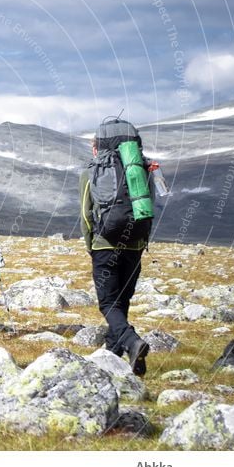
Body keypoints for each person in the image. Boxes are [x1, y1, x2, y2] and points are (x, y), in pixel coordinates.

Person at [80, 129, 150, 376]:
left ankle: (132, 342)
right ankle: (113, 354)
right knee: (121, 300)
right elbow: (148, 209)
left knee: (108, 302)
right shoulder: (139, 171)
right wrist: (141, 244)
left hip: (104, 245)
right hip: (134, 245)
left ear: (98, 148)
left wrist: (92, 246)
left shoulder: (93, 172)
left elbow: (86, 216)